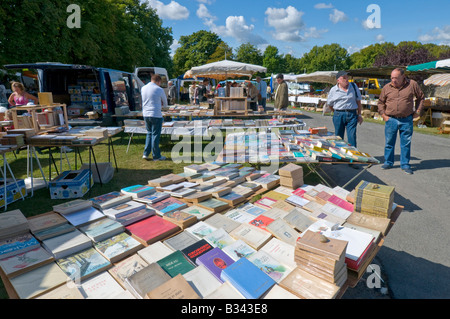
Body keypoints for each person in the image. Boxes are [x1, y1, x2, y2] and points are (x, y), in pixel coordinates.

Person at [377, 68, 425, 175]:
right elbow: (380, 102)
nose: (393, 80)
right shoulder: (387, 87)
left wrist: (417, 111)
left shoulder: (412, 84)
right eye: (392, 78)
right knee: (389, 143)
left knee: (406, 143)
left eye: (396, 78)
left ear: (403, 76)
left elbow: (421, 97)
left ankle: (405, 164)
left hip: (406, 119)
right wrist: (383, 115)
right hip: (391, 119)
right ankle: (388, 162)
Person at [326, 71, 363, 150]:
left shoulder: (353, 86)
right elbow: (329, 104)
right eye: (344, 78)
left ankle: (352, 158)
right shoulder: (334, 90)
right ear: (338, 80)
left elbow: (358, 101)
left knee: (352, 136)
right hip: (339, 114)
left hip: (352, 114)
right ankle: (339, 155)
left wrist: (359, 115)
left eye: (347, 77)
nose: (347, 79)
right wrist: (336, 112)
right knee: (338, 137)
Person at [141, 74, 168, 161]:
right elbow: (165, 102)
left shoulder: (143, 88)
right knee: (155, 135)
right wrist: (164, 108)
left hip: (146, 113)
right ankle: (156, 156)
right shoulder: (159, 89)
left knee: (149, 133)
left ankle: (145, 153)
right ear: (158, 81)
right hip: (155, 114)